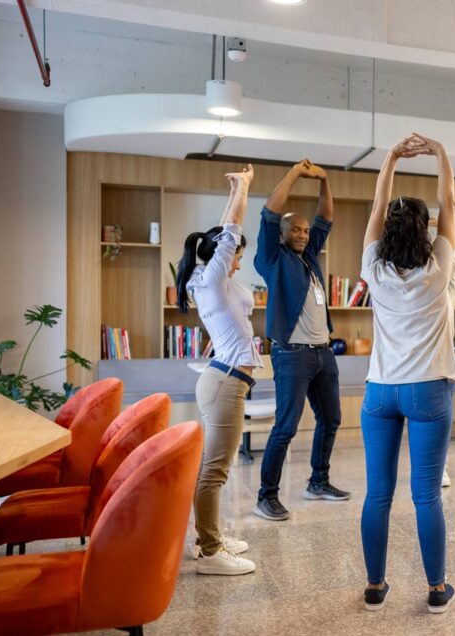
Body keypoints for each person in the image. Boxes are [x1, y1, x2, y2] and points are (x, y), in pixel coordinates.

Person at [359, 133, 455, 614]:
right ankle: (437, 589)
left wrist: (391, 159)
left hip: (380, 392)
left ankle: (375, 586)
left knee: (378, 494)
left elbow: (378, 204)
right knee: (425, 496)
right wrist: (439, 153)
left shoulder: (373, 270)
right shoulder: (438, 268)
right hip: (427, 391)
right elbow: (450, 203)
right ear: (426, 231)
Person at [254, 159, 349, 522]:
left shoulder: (309, 257)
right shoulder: (272, 259)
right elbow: (269, 211)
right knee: (286, 426)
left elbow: (326, 216)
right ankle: (267, 496)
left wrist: (325, 179)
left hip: (324, 353)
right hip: (292, 355)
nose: (303, 234)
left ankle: (319, 482)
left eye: (306, 231)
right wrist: (296, 172)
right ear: (281, 233)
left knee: (332, 419)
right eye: (296, 229)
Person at [175, 164, 258, 576]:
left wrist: (233, 194)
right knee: (215, 471)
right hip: (226, 382)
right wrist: (243, 188)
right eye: (237, 258)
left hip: (224, 379)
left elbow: (222, 237)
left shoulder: (200, 276)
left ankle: (207, 538)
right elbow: (230, 234)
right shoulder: (210, 279)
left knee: (213, 468)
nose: (238, 264)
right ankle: (210, 551)